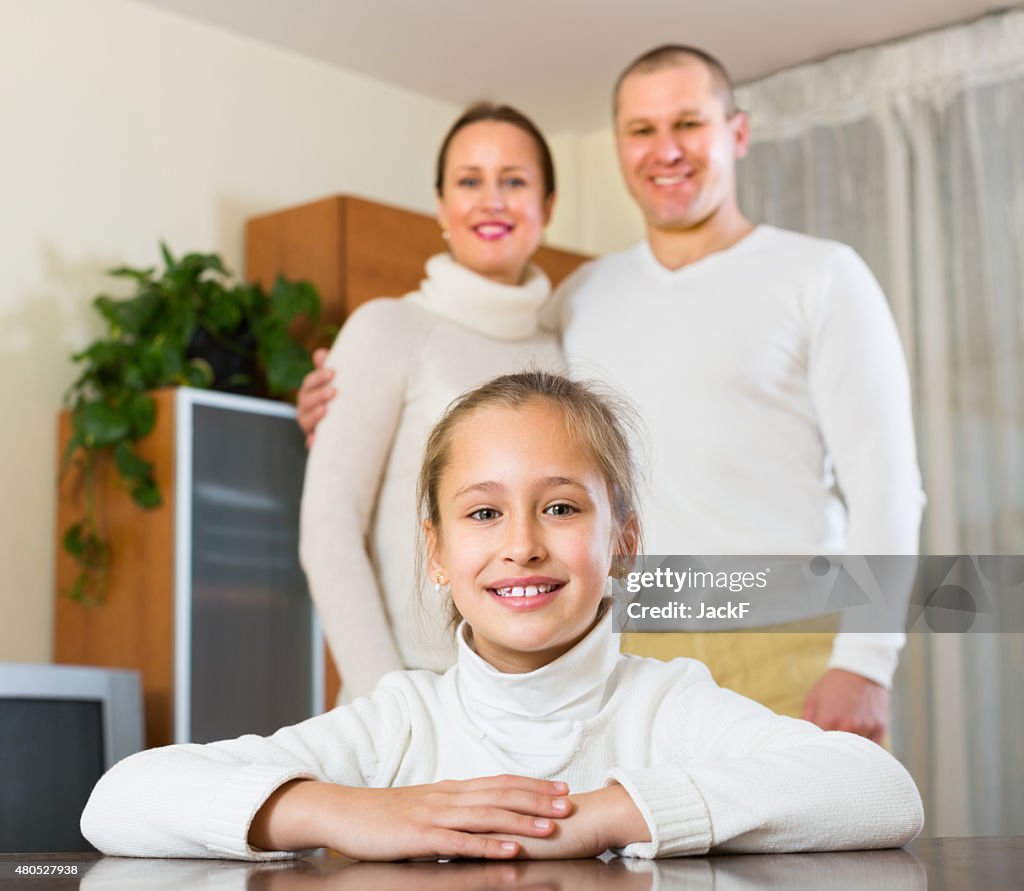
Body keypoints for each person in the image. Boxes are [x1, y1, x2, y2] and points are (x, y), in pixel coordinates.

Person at [298, 45, 923, 742]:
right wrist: (337, 398)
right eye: (641, 130)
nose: (666, 151)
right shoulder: (581, 299)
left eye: (688, 123)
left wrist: (866, 660)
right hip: (627, 652)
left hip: (788, 637)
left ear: (737, 133)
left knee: (815, 846)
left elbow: (886, 483)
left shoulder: (823, 276)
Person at [80, 371, 924, 861]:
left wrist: (603, 815)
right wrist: (352, 811)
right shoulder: (398, 723)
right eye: (483, 514)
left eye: (559, 508)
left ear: (622, 540)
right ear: (438, 551)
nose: (521, 545)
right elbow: (117, 799)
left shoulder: (669, 705)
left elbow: (880, 789)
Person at [299, 103, 563, 701]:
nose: (491, 200)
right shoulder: (388, 329)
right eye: (469, 181)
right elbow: (329, 531)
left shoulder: (565, 349)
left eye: (514, 181)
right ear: (442, 205)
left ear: (546, 206)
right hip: (415, 701)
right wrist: (390, 705)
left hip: (543, 712)